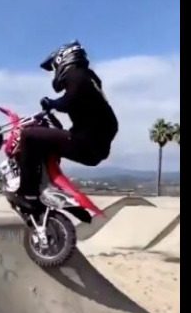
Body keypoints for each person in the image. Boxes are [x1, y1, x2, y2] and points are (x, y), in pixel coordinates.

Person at [9, 41, 118, 209]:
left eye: (54, 67)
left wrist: (51, 103)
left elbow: (69, 100)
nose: (55, 72)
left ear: (63, 59)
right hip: (95, 149)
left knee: (28, 136)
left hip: (84, 143)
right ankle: (45, 186)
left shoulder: (77, 75)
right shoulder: (91, 80)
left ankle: (28, 193)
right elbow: (83, 107)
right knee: (47, 140)